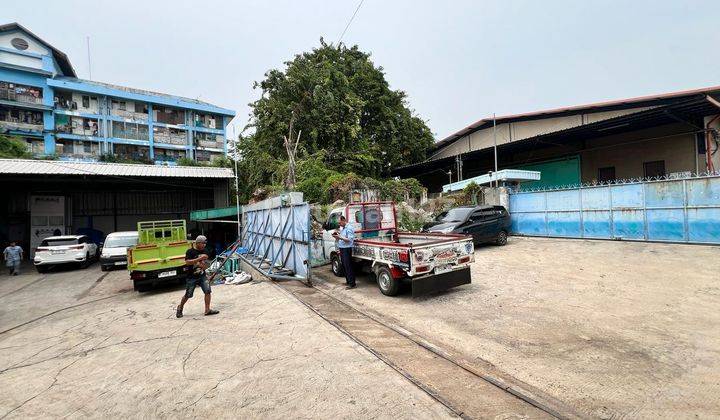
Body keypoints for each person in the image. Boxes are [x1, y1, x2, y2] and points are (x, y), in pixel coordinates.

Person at [176, 235, 219, 318]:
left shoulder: (205, 251)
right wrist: (199, 259)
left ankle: (207, 310)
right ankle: (180, 307)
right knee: (188, 295)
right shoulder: (190, 252)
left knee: (208, 291)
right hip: (191, 277)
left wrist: (206, 266)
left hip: (202, 275)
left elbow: (207, 264)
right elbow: (188, 262)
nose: (204, 245)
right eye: (203, 243)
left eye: (205, 243)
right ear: (198, 243)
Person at [333, 215, 356, 289]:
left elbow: (349, 239)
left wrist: (339, 237)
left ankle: (352, 283)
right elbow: (342, 237)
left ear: (343, 220)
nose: (339, 224)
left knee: (348, 266)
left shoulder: (349, 228)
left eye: (340, 223)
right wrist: (337, 236)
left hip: (347, 248)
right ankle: (348, 281)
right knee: (344, 265)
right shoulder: (343, 228)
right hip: (342, 248)